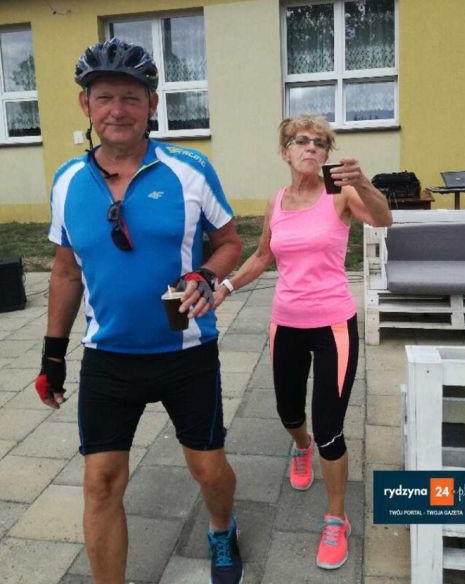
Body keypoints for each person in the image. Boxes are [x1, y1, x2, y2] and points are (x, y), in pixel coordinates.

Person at [34, 38, 244, 584]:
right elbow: (65, 271)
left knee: (208, 469)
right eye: (104, 97)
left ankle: (222, 528)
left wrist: (205, 275)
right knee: (101, 483)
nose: (117, 110)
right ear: (85, 104)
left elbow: (229, 241)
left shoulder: (190, 169)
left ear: (151, 104)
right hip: (108, 357)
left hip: (186, 351)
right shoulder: (66, 181)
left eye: (131, 97)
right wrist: (52, 356)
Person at [213, 114, 392, 570]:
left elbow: (383, 219)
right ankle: (300, 446)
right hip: (286, 323)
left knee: (330, 429)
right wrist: (226, 288)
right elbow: (262, 256)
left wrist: (363, 182)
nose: (311, 147)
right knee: (289, 413)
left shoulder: (340, 194)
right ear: (285, 152)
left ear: (327, 154)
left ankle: (336, 517)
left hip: (333, 325)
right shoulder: (276, 201)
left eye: (319, 143)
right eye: (300, 141)